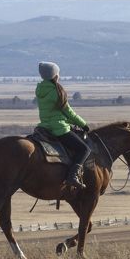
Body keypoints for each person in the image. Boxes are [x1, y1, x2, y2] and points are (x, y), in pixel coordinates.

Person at [36, 61, 90, 189]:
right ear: (54, 75)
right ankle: (73, 176)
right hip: (59, 129)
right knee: (84, 149)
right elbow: (68, 112)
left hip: (45, 126)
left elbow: (55, 112)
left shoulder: (39, 89)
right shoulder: (56, 91)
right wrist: (84, 125)